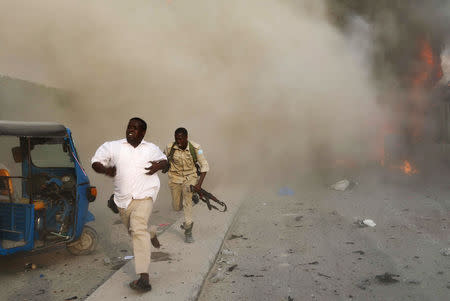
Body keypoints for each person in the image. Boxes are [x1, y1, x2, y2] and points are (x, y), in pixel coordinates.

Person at [91, 117, 167, 292]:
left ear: (143, 132)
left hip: (145, 196)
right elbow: (96, 161)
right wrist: (105, 169)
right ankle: (152, 232)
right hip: (122, 201)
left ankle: (143, 278)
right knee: (136, 231)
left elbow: (165, 160)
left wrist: (159, 166)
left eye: (135, 128)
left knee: (137, 229)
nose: (130, 130)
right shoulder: (113, 146)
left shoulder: (150, 148)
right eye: (129, 127)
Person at [164, 127, 209, 243]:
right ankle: (194, 198)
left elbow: (204, 166)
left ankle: (188, 231)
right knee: (176, 207)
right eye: (176, 139)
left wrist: (198, 185)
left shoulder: (196, 148)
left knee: (187, 202)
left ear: (186, 138)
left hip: (190, 178)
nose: (178, 141)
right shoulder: (170, 148)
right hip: (175, 178)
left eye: (180, 139)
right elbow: (163, 160)